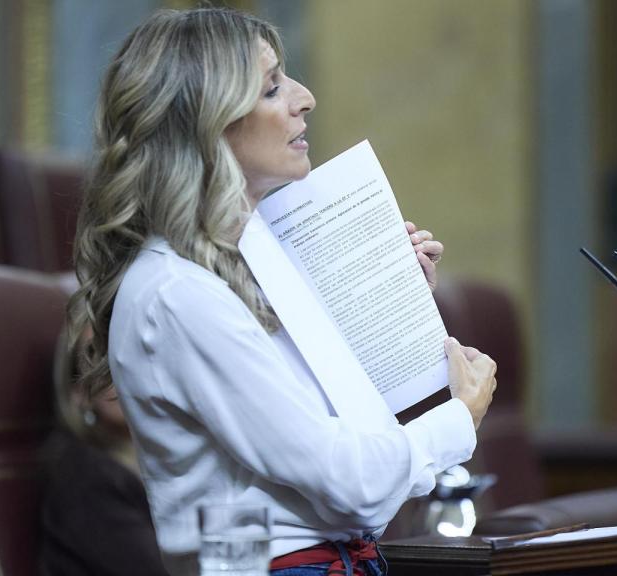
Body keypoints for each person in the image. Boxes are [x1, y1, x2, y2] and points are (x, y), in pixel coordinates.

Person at [68, 7, 497, 576]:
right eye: (272, 87)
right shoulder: (176, 292)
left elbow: (346, 470)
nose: (304, 97)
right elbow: (349, 485)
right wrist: (458, 419)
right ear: (208, 121)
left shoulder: (241, 266)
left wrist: (390, 309)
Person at [39, 331, 169, 576]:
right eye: (102, 357)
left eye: (135, 349)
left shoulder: (165, 459)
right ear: (79, 392)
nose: (125, 365)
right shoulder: (85, 480)